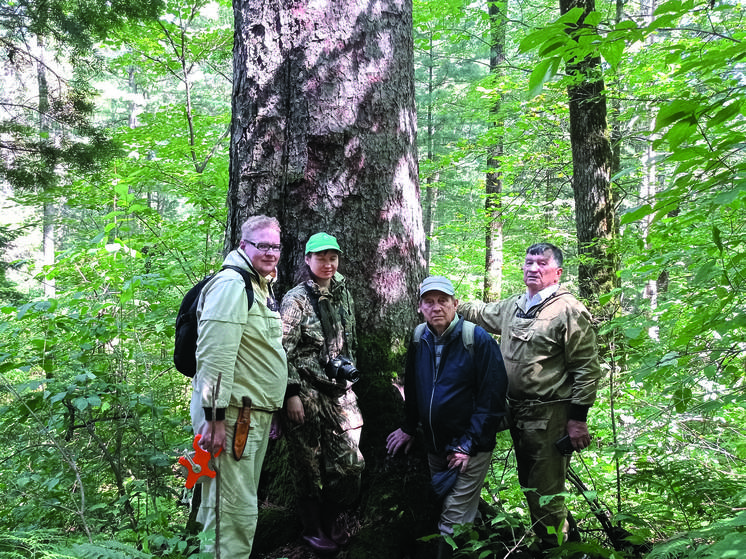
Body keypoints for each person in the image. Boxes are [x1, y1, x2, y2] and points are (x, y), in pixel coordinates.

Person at [458, 242, 603, 552]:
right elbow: (481, 313)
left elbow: (587, 369)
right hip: (511, 408)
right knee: (520, 476)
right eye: (528, 262)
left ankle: (557, 548)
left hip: (549, 415)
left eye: (541, 263)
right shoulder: (515, 306)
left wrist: (578, 420)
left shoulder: (569, 310)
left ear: (557, 272)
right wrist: (445, 302)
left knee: (544, 489)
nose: (533, 269)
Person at [386, 276, 508, 559]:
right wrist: (408, 426)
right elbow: (415, 389)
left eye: (443, 301)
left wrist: (468, 444)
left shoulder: (476, 340)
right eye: (429, 302)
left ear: (455, 304)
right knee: (452, 508)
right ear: (419, 307)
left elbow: (493, 399)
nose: (436, 307)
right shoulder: (419, 338)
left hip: (468, 448)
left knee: (452, 522)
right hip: (434, 445)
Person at [190, 215, 288, 558]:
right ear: (243, 245)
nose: (271, 253)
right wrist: (215, 418)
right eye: (262, 245)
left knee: (225, 506)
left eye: (275, 246)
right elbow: (215, 355)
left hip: (248, 416)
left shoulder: (259, 284)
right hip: (231, 418)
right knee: (233, 512)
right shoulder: (233, 285)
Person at [280, 232, 365, 554]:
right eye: (320, 258)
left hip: (339, 389)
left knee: (351, 464)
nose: (327, 264)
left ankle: (333, 518)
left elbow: (350, 338)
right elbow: (281, 350)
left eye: (332, 258)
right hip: (305, 390)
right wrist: (290, 394)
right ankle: (312, 528)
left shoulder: (344, 293)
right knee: (308, 465)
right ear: (307, 260)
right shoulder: (296, 299)